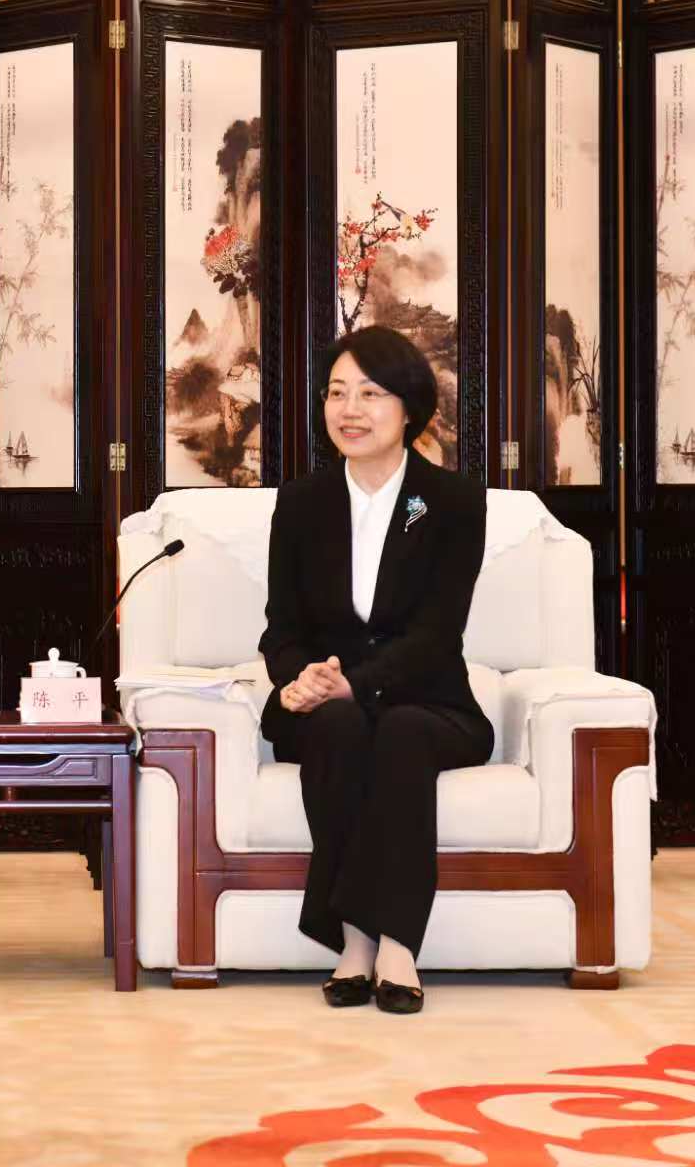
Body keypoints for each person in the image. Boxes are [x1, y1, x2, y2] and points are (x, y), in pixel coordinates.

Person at [256, 325, 491, 1014]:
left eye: (370, 393)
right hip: (326, 703)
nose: (350, 410)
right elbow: (283, 628)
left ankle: (395, 944)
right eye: (337, 393)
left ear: (409, 409)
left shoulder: (449, 503)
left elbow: (437, 633)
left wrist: (355, 683)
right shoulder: (302, 503)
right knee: (338, 726)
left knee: (400, 734)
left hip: (428, 700)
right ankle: (356, 941)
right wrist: (298, 681)